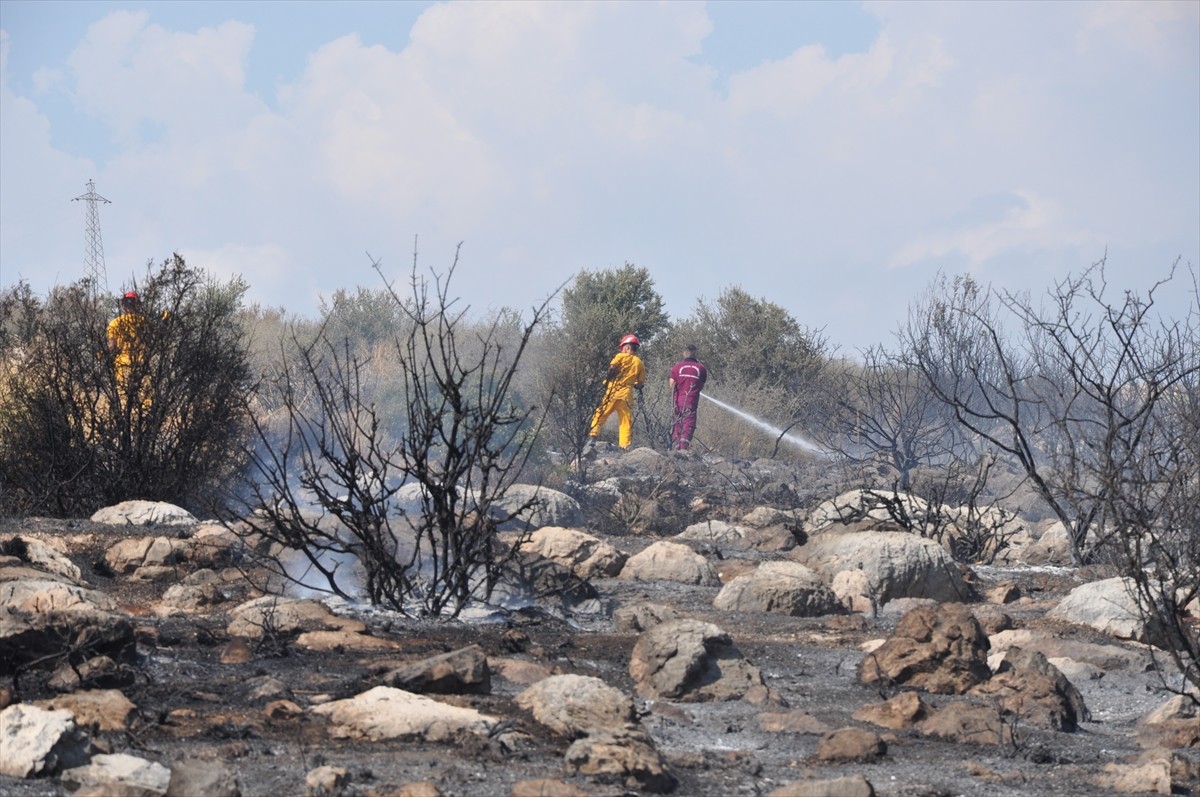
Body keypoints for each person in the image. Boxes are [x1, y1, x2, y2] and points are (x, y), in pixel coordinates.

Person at [588, 333, 647, 450]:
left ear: (627, 347)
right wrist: (635, 385)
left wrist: (609, 379)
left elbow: (612, 368)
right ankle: (624, 446)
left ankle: (593, 438)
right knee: (625, 421)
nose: (623, 349)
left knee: (600, 414)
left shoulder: (620, 356)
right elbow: (640, 384)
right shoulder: (639, 363)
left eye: (623, 347)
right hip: (627, 396)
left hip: (612, 393)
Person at [107, 291, 148, 407]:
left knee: (124, 399)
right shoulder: (144, 322)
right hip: (141, 363)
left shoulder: (114, 323)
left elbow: (112, 347)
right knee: (145, 399)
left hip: (122, 365)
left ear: (123, 305)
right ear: (138, 304)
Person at [669, 344, 708, 450]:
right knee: (688, 426)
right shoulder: (701, 368)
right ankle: (683, 450)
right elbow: (701, 386)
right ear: (695, 354)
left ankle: (675, 450)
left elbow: (671, 385)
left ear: (684, 354)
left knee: (677, 425)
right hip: (691, 403)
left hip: (677, 403)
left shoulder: (676, 367)